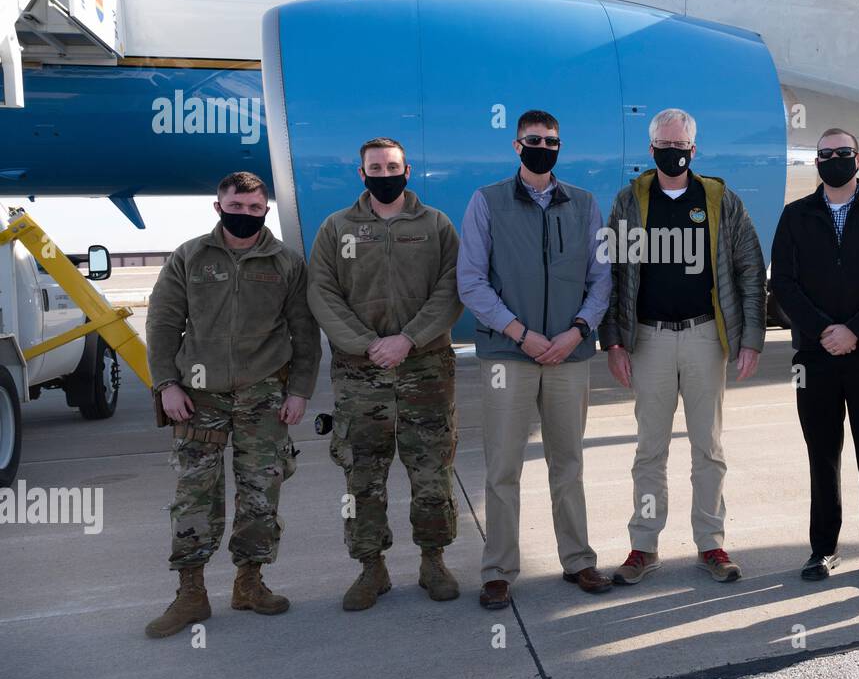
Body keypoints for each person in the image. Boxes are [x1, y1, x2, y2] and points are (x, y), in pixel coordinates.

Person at [144, 171, 321, 638]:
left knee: (262, 492)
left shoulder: (285, 261)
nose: (245, 216)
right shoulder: (190, 257)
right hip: (197, 395)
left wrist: (300, 390)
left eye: (254, 209)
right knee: (194, 494)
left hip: (264, 394)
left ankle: (250, 583)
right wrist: (166, 383)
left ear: (265, 210)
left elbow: (305, 332)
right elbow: (162, 324)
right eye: (236, 207)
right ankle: (191, 594)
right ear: (218, 206)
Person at [601, 107, 766, 585]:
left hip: (702, 338)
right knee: (649, 449)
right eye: (664, 147)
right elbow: (613, 274)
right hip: (647, 339)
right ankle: (643, 545)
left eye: (681, 147)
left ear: (694, 150)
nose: (673, 154)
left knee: (707, 448)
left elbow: (749, 269)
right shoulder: (630, 202)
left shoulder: (718, 199)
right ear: (651, 149)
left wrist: (749, 338)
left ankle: (711, 543)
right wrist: (613, 341)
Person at [457, 109, 613, 610]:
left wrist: (577, 331)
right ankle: (499, 570)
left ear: (559, 146)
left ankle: (578, 560)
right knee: (503, 466)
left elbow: (601, 279)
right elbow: (471, 281)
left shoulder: (585, 205)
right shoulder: (487, 202)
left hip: (568, 354)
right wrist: (520, 333)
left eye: (550, 140)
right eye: (533, 139)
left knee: (567, 463)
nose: (542, 146)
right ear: (516, 145)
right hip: (510, 354)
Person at [308, 137, 463, 610]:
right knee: (362, 478)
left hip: (426, 369)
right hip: (361, 375)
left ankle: (433, 561)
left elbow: (452, 287)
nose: (384, 173)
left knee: (432, 470)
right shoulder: (337, 228)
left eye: (392, 166)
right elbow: (321, 291)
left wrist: (408, 339)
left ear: (407, 170)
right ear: (362, 174)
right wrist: (366, 344)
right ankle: (370, 568)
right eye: (375, 167)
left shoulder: (435, 225)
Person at [770, 128, 859, 586]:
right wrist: (823, 331)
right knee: (822, 456)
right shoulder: (795, 216)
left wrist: (854, 330)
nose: (833, 159)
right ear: (816, 162)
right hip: (812, 358)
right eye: (824, 154)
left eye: (842, 153)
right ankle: (822, 549)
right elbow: (784, 285)